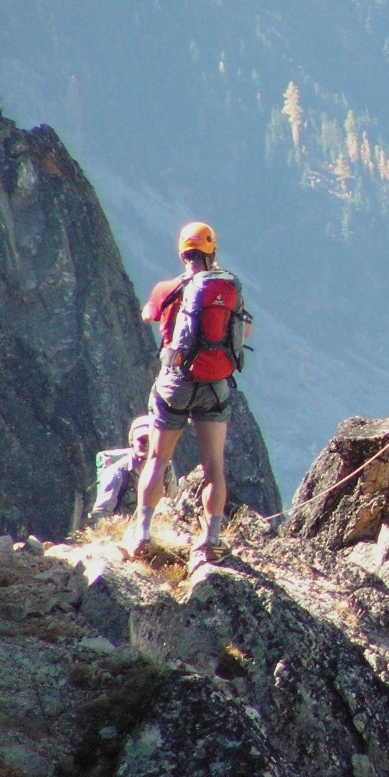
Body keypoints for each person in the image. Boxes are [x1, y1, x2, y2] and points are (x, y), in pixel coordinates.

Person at [125, 221, 251, 560]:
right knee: (213, 465)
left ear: (183, 253)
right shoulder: (226, 289)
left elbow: (147, 315)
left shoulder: (168, 288)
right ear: (212, 253)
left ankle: (143, 533)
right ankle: (211, 539)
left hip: (175, 382)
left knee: (157, 458)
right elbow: (245, 330)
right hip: (214, 384)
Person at [91, 415, 175, 519]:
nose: (146, 444)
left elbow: (172, 501)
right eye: (142, 440)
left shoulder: (166, 468)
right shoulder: (117, 473)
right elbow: (101, 513)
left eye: (150, 440)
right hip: (123, 529)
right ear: (132, 441)